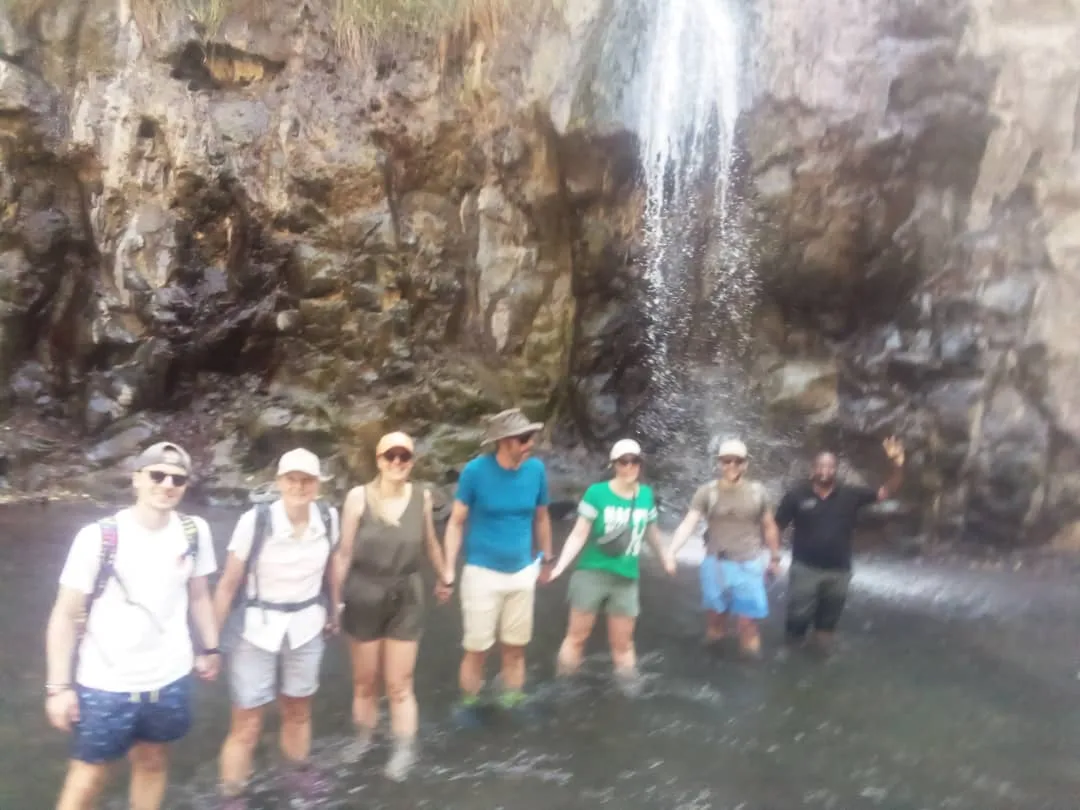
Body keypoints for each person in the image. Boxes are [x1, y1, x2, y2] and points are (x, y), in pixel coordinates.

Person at [44, 441, 220, 810]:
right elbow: (63, 614)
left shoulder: (194, 531)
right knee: (88, 775)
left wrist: (211, 647)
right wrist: (58, 688)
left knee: (153, 761)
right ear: (137, 478)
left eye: (178, 478)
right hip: (106, 683)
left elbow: (200, 594)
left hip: (170, 676)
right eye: (157, 474)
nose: (167, 484)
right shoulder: (99, 537)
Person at [212, 448, 340, 803]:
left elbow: (333, 567)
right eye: (292, 479)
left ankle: (296, 775)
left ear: (318, 485)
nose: (299, 486)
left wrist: (336, 609)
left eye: (307, 480)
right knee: (247, 724)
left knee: (298, 711)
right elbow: (226, 584)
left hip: (307, 626)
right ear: (280, 482)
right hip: (256, 630)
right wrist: (209, 644)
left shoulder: (328, 519)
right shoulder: (255, 522)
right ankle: (232, 795)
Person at [336, 432, 449, 781]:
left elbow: (430, 542)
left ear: (412, 461)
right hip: (363, 592)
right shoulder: (357, 498)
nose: (397, 463)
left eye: (404, 457)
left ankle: (403, 749)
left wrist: (445, 575)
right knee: (365, 682)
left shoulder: (422, 497)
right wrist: (333, 600)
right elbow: (343, 553)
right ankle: (364, 738)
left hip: (407, 593)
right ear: (379, 460)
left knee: (400, 683)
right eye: (390, 456)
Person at [441, 408, 554, 724]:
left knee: (516, 648)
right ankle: (469, 704)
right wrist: (448, 569)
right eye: (523, 438)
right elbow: (456, 522)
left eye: (531, 437)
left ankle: (511, 699)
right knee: (477, 649)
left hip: (522, 573)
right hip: (482, 574)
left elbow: (542, 517)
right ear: (504, 441)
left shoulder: (536, 471)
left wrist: (547, 557)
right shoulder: (476, 472)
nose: (530, 443)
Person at [549, 439, 675, 690]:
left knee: (624, 645)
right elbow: (578, 534)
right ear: (614, 465)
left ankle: (629, 692)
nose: (630, 467)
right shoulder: (597, 493)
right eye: (623, 462)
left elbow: (652, 533)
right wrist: (560, 566)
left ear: (641, 463)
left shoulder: (646, 495)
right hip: (592, 573)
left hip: (626, 578)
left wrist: (665, 558)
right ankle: (563, 687)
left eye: (634, 461)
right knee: (577, 637)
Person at [774, 437, 905, 652]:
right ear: (813, 469)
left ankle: (821, 664)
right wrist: (773, 556)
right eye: (821, 466)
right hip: (805, 569)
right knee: (797, 621)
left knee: (827, 625)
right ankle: (791, 661)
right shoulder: (796, 495)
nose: (825, 470)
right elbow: (776, 526)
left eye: (830, 466)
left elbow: (885, 492)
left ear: (836, 470)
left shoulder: (851, 495)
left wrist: (897, 465)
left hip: (839, 572)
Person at [667, 438, 782, 658]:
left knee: (748, 625)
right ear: (719, 463)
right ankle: (711, 666)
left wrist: (775, 558)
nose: (731, 466)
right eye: (726, 461)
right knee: (715, 621)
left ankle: (748, 673)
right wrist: (672, 551)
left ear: (745, 464)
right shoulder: (707, 492)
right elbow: (689, 523)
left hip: (749, 564)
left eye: (737, 461)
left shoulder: (758, 492)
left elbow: (769, 527)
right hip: (715, 564)